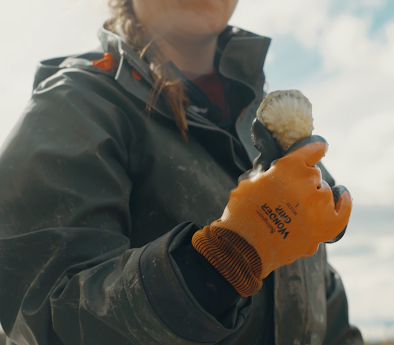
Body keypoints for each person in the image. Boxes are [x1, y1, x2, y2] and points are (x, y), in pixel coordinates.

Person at [0, 0, 363, 344]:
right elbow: (43, 321)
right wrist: (220, 263)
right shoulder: (74, 107)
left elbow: (326, 320)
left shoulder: (268, 129)